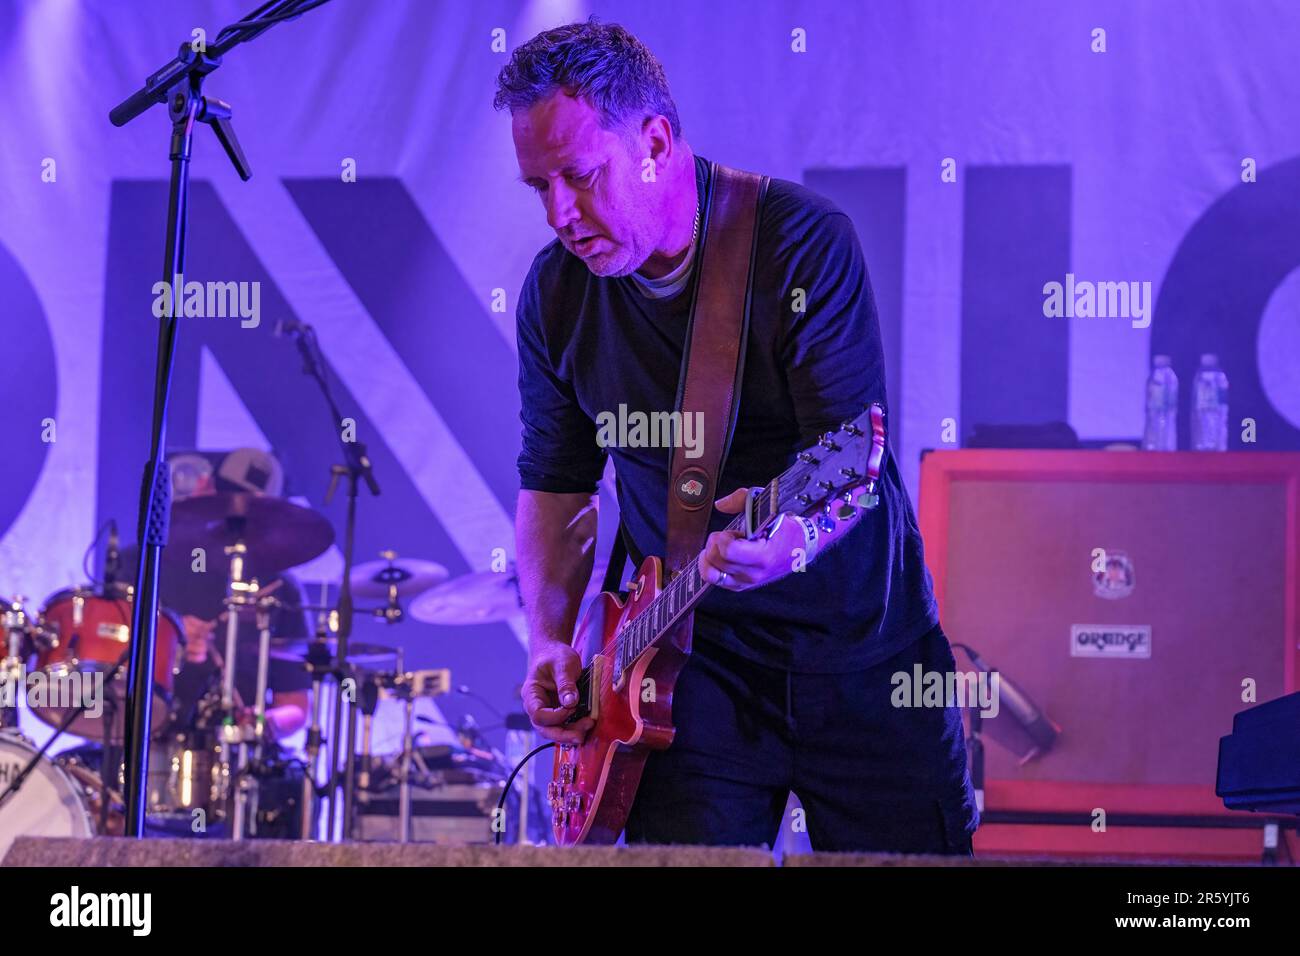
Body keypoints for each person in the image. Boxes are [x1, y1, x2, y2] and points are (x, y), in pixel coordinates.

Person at [496, 18, 979, 853]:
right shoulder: (554, 295)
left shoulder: (800, 243)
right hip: (685, 667)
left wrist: (790, 537)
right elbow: (556, 485)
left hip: (862, 655)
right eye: (538, 188)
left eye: (579, 176)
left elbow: (849, 450)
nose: (561, 215)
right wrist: (550, 636)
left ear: (654, 140)